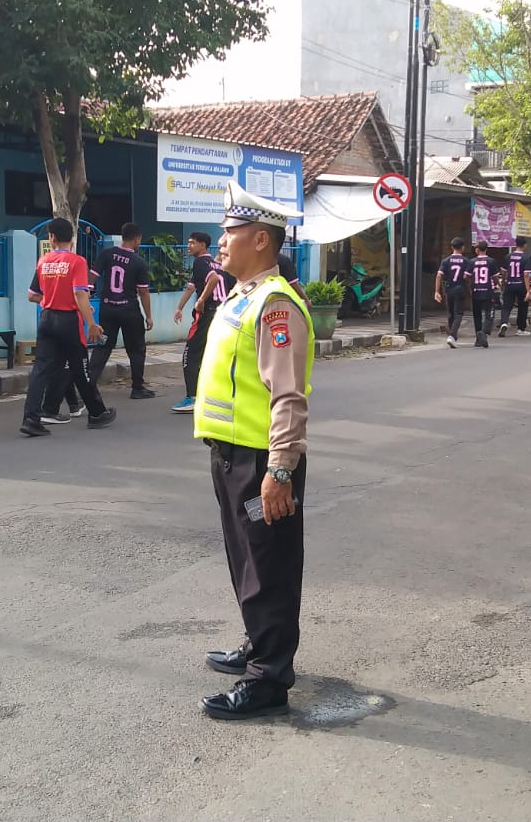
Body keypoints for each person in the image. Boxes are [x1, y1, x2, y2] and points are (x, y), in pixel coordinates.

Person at [196, 181, 312, 721]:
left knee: (269, 565)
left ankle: (268, 680)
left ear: (260, 240)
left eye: (230, 232)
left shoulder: (275, 305)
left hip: (263, 459)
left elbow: (288, 393)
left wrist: (281, 470)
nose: (221, 242)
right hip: (232, 453)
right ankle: (257, 640)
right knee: (246, 558)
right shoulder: (243, 295)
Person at [21, 218, 117, 437]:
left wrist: (53, 298)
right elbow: (79, 293)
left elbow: (32, 295)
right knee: (80, 366)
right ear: (72, 238)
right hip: (68, 321)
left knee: (40, 370)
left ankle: (31, 418)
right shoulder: (77, 262)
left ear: (52, 238)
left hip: (46, 319)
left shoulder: (43, 261)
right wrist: (91, 322)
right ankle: (96, 412)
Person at [88, 223, 157, 399]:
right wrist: (148, 316)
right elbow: (143, 291)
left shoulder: (107, 254)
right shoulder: (138, 262)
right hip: (129, 311)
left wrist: (86, 294)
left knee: (103, 346)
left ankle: (88, 384)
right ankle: (137, 387)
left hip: (108, 308)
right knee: (136, 349)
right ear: (137, 239)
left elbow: (92, 278)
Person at [172, 231, 229, 413]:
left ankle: (192, 397)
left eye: (192, 243)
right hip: (223, 314)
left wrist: (201, 300)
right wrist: (179, 308)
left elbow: (212, 280)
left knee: (191, 354)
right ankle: (214, 394)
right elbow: (191, 287)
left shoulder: (200, 262)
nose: (189, 246)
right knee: (212, 355)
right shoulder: (217, 264)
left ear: (203, 245)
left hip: (208, 314)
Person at [435, 237, 469, 347]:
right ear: (463, 248)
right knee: (458, 313)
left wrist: (437, 291)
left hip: (448, 289)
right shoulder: (466, 261)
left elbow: (439, 275)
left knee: (450, 313)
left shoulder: (446, 261)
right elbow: (466, 277)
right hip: (460, 288)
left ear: (451, 247)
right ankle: (452, 336)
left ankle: (452, 334)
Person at [498, 237, 531, 336]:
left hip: (510, 283)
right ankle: (521, 328)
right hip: (521, 284)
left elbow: (503, 271)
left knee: (506, 306)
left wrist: (504, 282)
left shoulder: (508, 256)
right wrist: (528, 290)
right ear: (524, 245)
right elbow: (526, 275)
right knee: (523, 306)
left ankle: (504, 322)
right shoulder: (526, 257)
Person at [468, 241, 497, 347]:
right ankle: (484, 332)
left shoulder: (472, 262)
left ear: (477, 249)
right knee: (490, 314)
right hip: (488, 291)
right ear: (486, 249)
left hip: (476, 291)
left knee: (477, 316)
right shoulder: (491, 261)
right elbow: (494, 277)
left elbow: (467, 277)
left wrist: (470, 288)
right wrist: (498, 285)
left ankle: (478, 338)